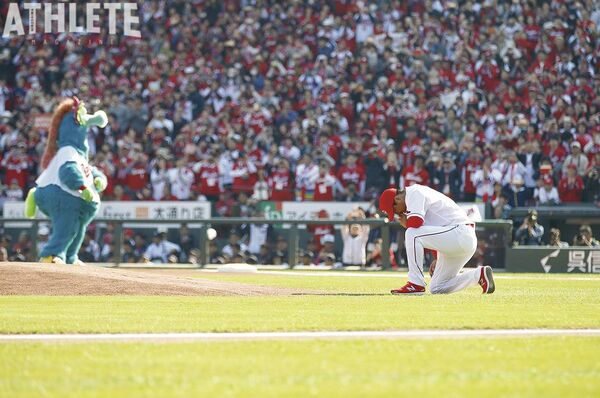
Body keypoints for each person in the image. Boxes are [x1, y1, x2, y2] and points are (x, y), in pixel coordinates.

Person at [378, 185, 494, 295]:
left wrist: (407, 223)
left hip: (460, 233)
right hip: (458, 239)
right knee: (437, 287)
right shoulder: (413, 197)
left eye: (396, 211)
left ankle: (415, 284)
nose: (399, 214)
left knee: (412, 232)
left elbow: (416, 223)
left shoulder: (414, 193)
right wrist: (436, 258)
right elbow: (432, 231)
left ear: (397, 199)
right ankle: (478, 275)